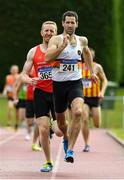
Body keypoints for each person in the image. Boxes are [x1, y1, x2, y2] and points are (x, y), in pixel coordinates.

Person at [45, 11, 97, 163]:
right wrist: (61, 47)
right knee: (62, 123)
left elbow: (87, 54)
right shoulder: (56, 39)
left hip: (75, 83)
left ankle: (70, 150)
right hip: (59, 85)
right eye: (67, 22)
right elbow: (48, 58)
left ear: (77, 24)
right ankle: (66, 138)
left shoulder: (82, 40)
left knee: (79, 112)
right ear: (62, 23)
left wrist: (91, 71)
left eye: (72, 22)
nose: (69, 25)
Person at [21, 21, 62, 172]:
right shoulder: (33, 51)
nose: (49, 33)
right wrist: (30, 80)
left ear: (56, 33)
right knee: (43, 129)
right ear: (41, 32)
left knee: (59, 131)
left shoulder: (61, 50)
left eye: (52, 31)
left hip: (58, 93)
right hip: (40, 94)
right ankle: (48, 162)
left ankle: (56, 126)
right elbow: (23, 74)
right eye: (46, 30)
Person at [81, 48, 108, 152]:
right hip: (83, 98)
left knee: (97, 125)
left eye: (90, 56)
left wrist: (102, 92)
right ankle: (86, 144)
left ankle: (93, 113)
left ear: (92, 57)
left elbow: (105, 80)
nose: (88, 57)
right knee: (84, 119)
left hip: (95, 98)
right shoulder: (79, 67)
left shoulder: (97, 67)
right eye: (86, 56)